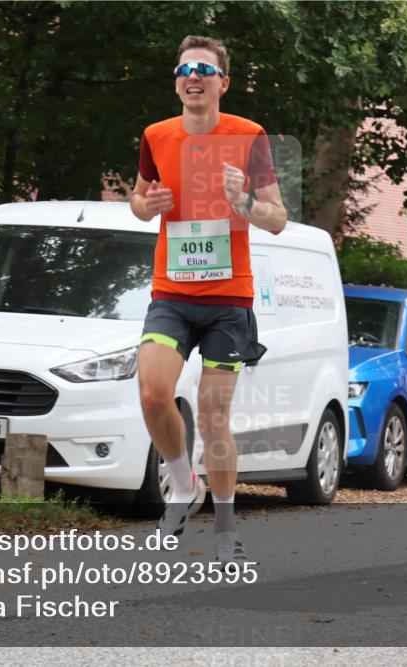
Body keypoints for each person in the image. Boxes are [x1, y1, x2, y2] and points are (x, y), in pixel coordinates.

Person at [129, 35, 287, 563]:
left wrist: (243, 201)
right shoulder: (156, 135)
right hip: (172, 293)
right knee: (153, 393)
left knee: (214, 414)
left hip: (228, 300)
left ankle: (224, 529)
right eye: (183, 70)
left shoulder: (248, 135)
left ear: (223, 82)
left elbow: (277, 219)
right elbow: (138, 200)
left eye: (203, 69)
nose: (192, 77)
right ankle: (182, 484)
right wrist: (146, 205)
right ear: (177, 82)